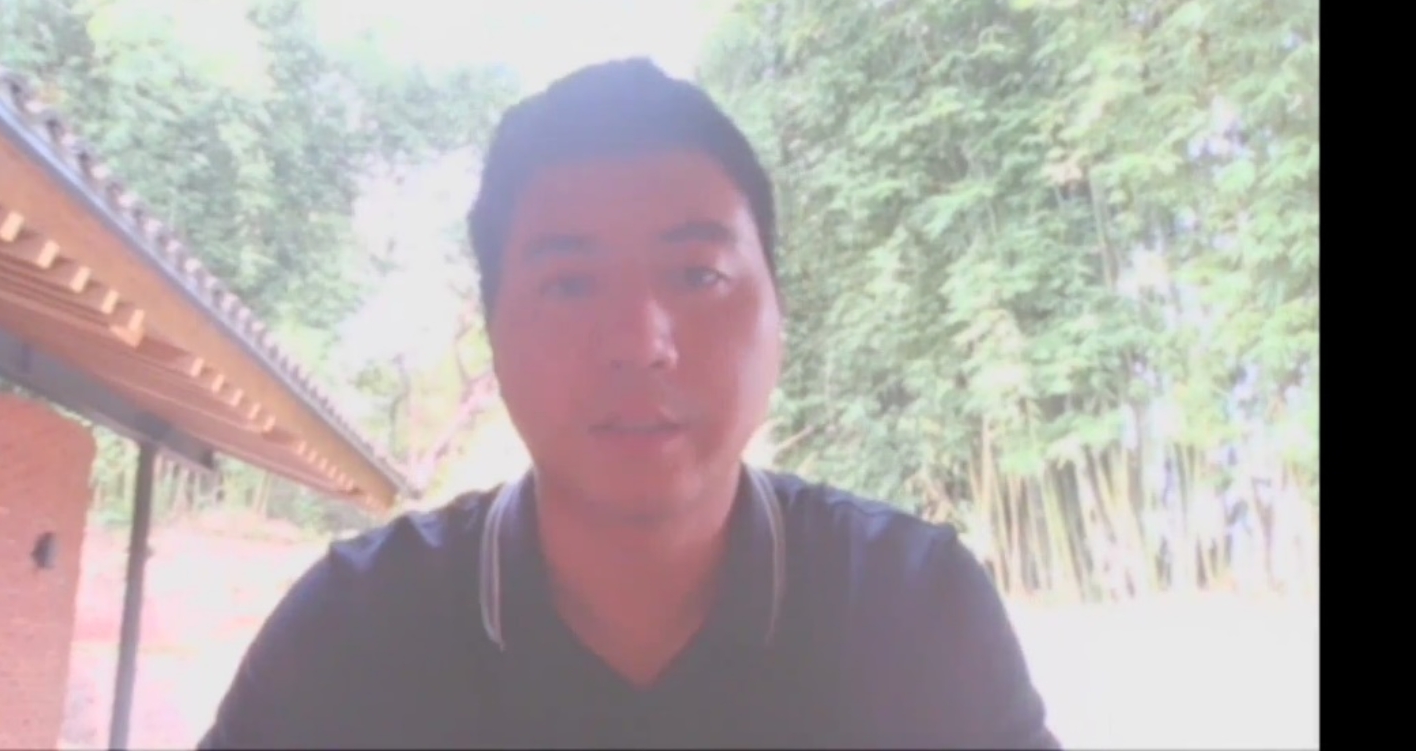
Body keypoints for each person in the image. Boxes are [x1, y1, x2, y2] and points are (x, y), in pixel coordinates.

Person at [199, 59, 1059, 749]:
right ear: (494, 335)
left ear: (780, 315)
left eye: (699, 274)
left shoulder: (915, 611)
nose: (640, 340)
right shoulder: (351, 635)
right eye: (570, 283)